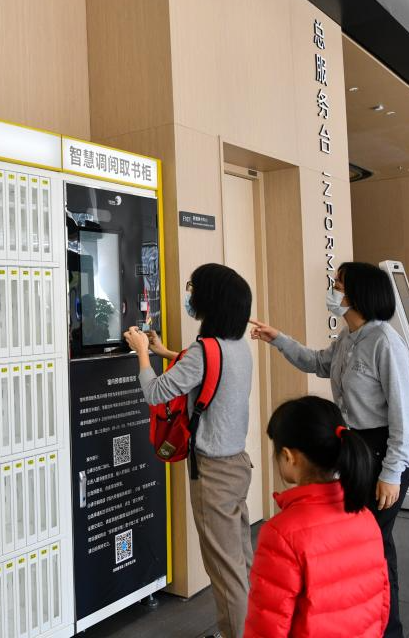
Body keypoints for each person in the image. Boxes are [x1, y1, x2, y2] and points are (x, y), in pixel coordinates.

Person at [250, 262, 409, 638]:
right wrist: (278, 338)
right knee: (360, 537)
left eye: (338, 284)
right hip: (358, 447)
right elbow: (317, 363)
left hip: (386, 449)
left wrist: (391, 473)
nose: (333, 290)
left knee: (375, 539)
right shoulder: (349, 337)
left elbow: (403, 417)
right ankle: (352, 616)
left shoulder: (385, 342)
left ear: (358, 294)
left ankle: (388, 628)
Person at [124, 263, 253, 638]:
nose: (189, 294)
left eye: (193, 288)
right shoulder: (234, 346)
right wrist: (165, 351)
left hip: (212, 473)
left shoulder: (204, 350)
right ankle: (248, 628)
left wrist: (143, 352)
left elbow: (155, 393)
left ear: (210, 299)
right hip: (238, 465)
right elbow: (203, 366)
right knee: (239, 561)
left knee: (224, 571)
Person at [245, 396, 389, 638]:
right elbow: (382, 602)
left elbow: (267, 625)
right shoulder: (365, 517)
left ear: (290, 457)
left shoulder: (281, 533)